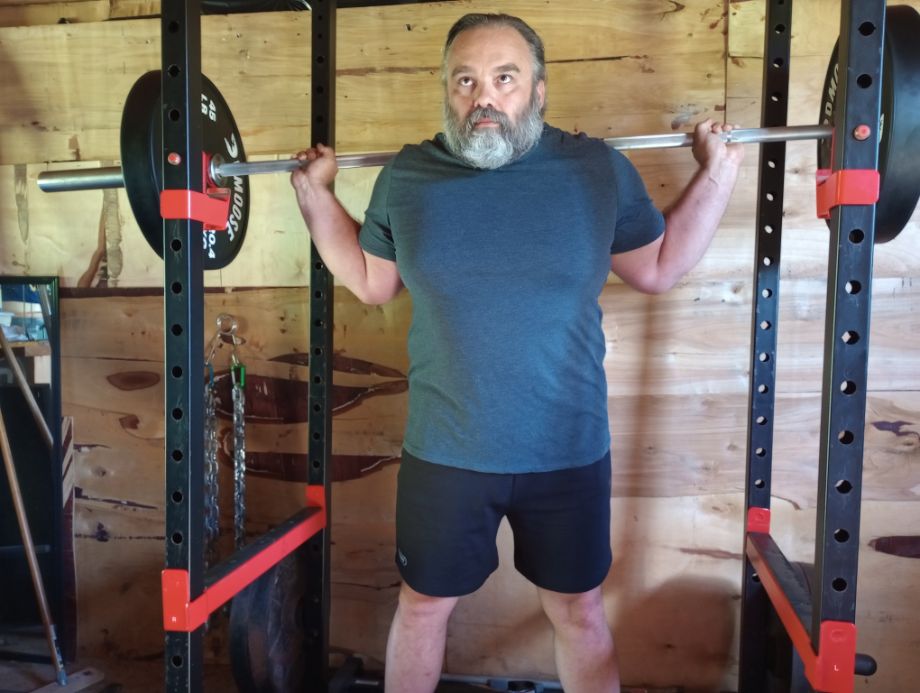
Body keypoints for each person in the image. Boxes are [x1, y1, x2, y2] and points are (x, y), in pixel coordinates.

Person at [291, 12, 743, 693]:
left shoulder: (596, 171)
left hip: (567, 449)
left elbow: (659, 267)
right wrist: (315, 195)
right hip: (446, 451)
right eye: (464, 81)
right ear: (447, 92)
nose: (483, 98)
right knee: (422, 607)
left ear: (538, 90)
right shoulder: (409, 177)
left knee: (579, 610)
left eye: (504, 79)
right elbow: (369, 279)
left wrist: (719, 174)